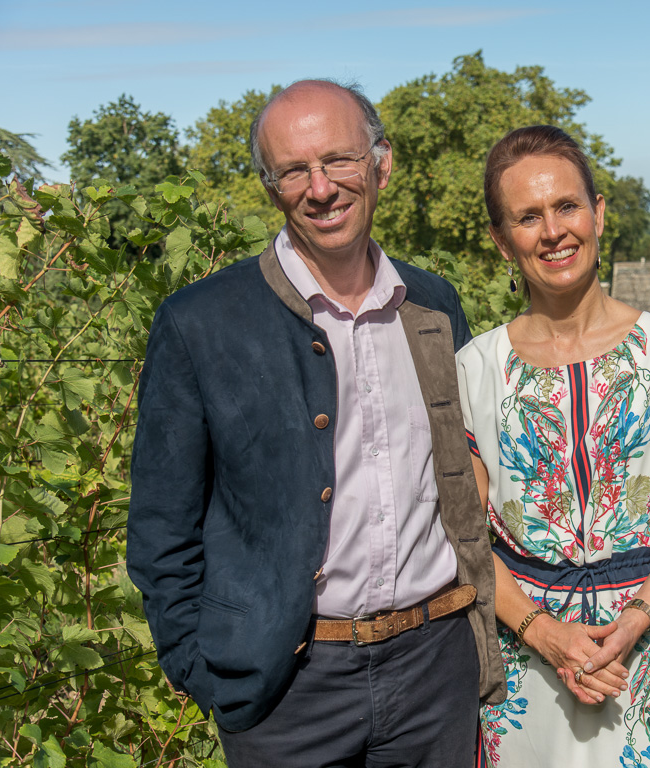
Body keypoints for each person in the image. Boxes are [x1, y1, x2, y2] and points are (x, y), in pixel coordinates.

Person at [126, 79, 504, 767]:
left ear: (380, 164)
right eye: (293, 170)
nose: (320, 187)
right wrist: (201, 666)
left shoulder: (433, 304)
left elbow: (467, 470)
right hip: (286, 689)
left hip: (433, 670)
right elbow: (161, 525)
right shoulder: (199, 322)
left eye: (338, 160)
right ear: (270, 187)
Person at [457, 125, 650, 767]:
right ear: (502, 241)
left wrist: (633, 622)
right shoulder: (476, 368)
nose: (553, 231)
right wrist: (546, 636)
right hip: (526, 657)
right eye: (527, 217)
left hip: (647, 647)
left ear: (598, 213)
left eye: (566, 206)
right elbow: (462, 535)